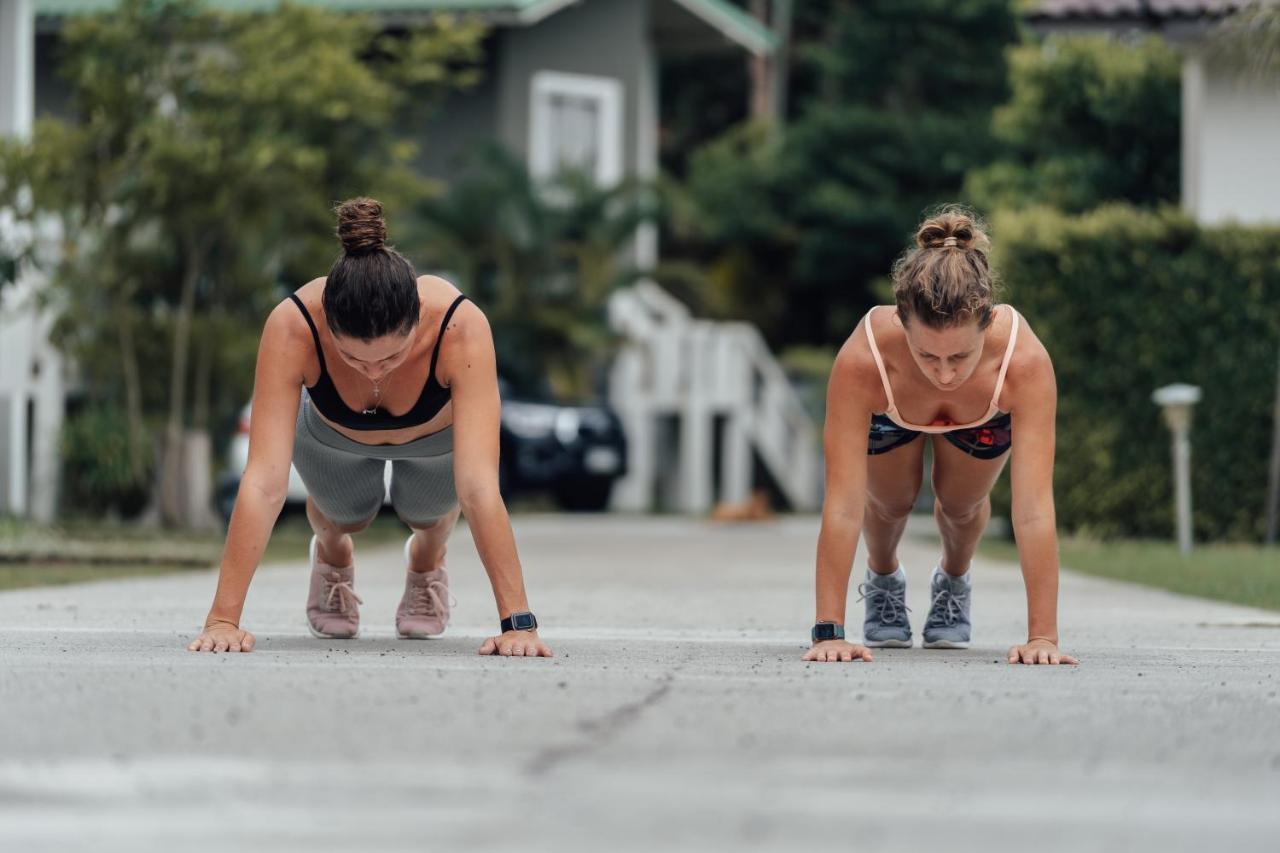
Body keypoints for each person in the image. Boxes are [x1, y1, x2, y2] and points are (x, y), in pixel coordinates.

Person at [188, 198, 550, 658]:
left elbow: (480, 486)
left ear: (418, 317)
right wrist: (223, 620)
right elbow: (263, 483)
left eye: (392, 357)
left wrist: (517, 624)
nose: (374, 372)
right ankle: (333, 555)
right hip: (329, 437)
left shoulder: (460, 327)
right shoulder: (293, 324)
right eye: (354, 358)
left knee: (427, 516)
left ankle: (426, 561)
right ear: (326, 324)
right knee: (345, 516)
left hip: (433, 443)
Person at [805, 208, 1078, 666]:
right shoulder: (863, 360)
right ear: (901, 324)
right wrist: (828, 633)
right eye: (927, 355)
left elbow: (1033, 511)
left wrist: (1043, 639)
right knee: (888, 503)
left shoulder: (1023, 362)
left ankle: (953, 579)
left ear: (987, 324)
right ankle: (884, 578)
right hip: (891, 410)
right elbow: (843, 503)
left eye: (960, 356)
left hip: (982, 415)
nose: (945, 373)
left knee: (961, 505)